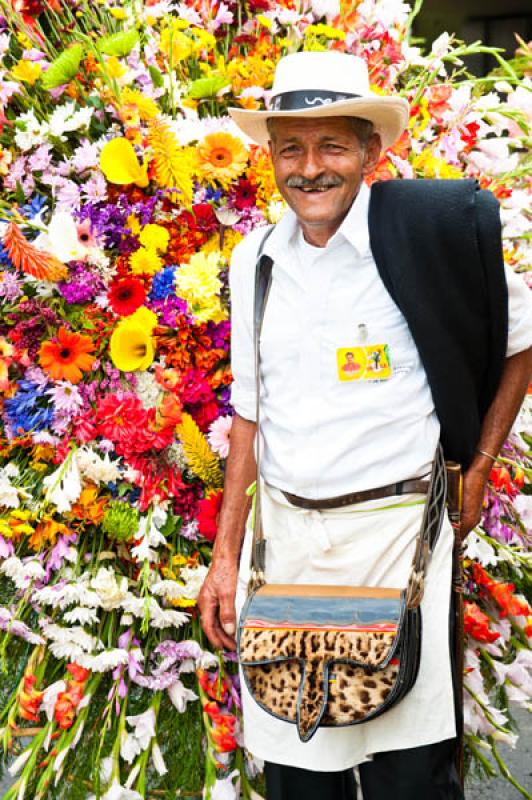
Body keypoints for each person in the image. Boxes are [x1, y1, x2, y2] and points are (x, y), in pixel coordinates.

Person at [198, 51, 532, 800]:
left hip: (399, 546)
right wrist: (225, 556)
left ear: (370, 153)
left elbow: (523, 339)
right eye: (291, 147)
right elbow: (250, 417)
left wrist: (476, 465)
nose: (310, 168)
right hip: (286, 549)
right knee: (296, 766)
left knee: (410, 776)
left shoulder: (426, 239)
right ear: (270, 158)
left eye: (332, 146)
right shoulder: (254, 259)